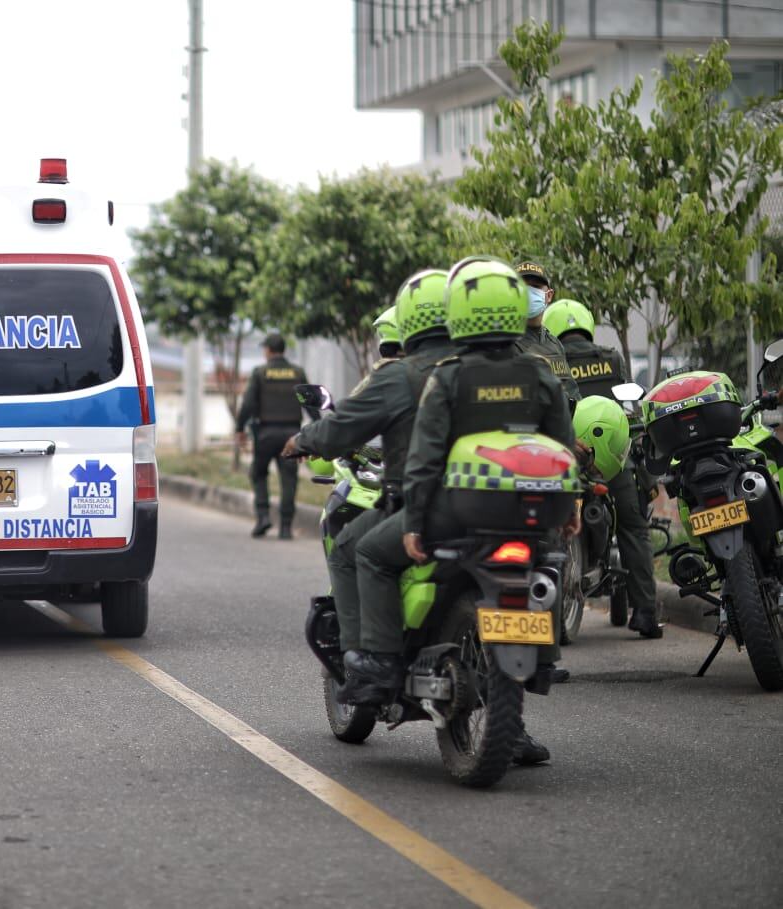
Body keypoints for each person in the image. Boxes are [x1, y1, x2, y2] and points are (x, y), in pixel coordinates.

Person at [347, 257, 579, 765]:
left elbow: (425, 459)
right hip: (530, 516)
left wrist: (412, 524)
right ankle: (529, 690)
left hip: (457, 515)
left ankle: (380, 668)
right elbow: (561, 443)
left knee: (369, 552)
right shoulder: (540, 373)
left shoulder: (449, 378)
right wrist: (572, 507)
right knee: (546, 570)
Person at [283, 272, 455, 657]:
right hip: (494, 505)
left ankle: (370, 663)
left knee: (355, 551)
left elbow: (344, 426)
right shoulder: (487, 367)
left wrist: (303, 441)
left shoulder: (403, 375)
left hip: (426, 506)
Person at [544, 298, 662, 638]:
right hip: (610, 458)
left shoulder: (551, 359)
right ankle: (645, 613)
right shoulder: (610, 358)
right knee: (633, 525)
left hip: (564, 452)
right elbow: (629, 409)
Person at [236, 333, 307, 539]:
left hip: (266, 433)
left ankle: (263, 517)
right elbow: (309, 402)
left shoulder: (260, 372)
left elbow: (248, 404)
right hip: (292, 436)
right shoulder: (297, 372)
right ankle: (285, 527)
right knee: (289, 479)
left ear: (268, 350)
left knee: (258, 473)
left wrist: (240, 428)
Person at [513, 261, 580, 403]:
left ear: (548, 296)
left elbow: (572, 393)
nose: (529, 293)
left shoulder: (555, 344)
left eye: (536, 287)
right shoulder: (507, 344)